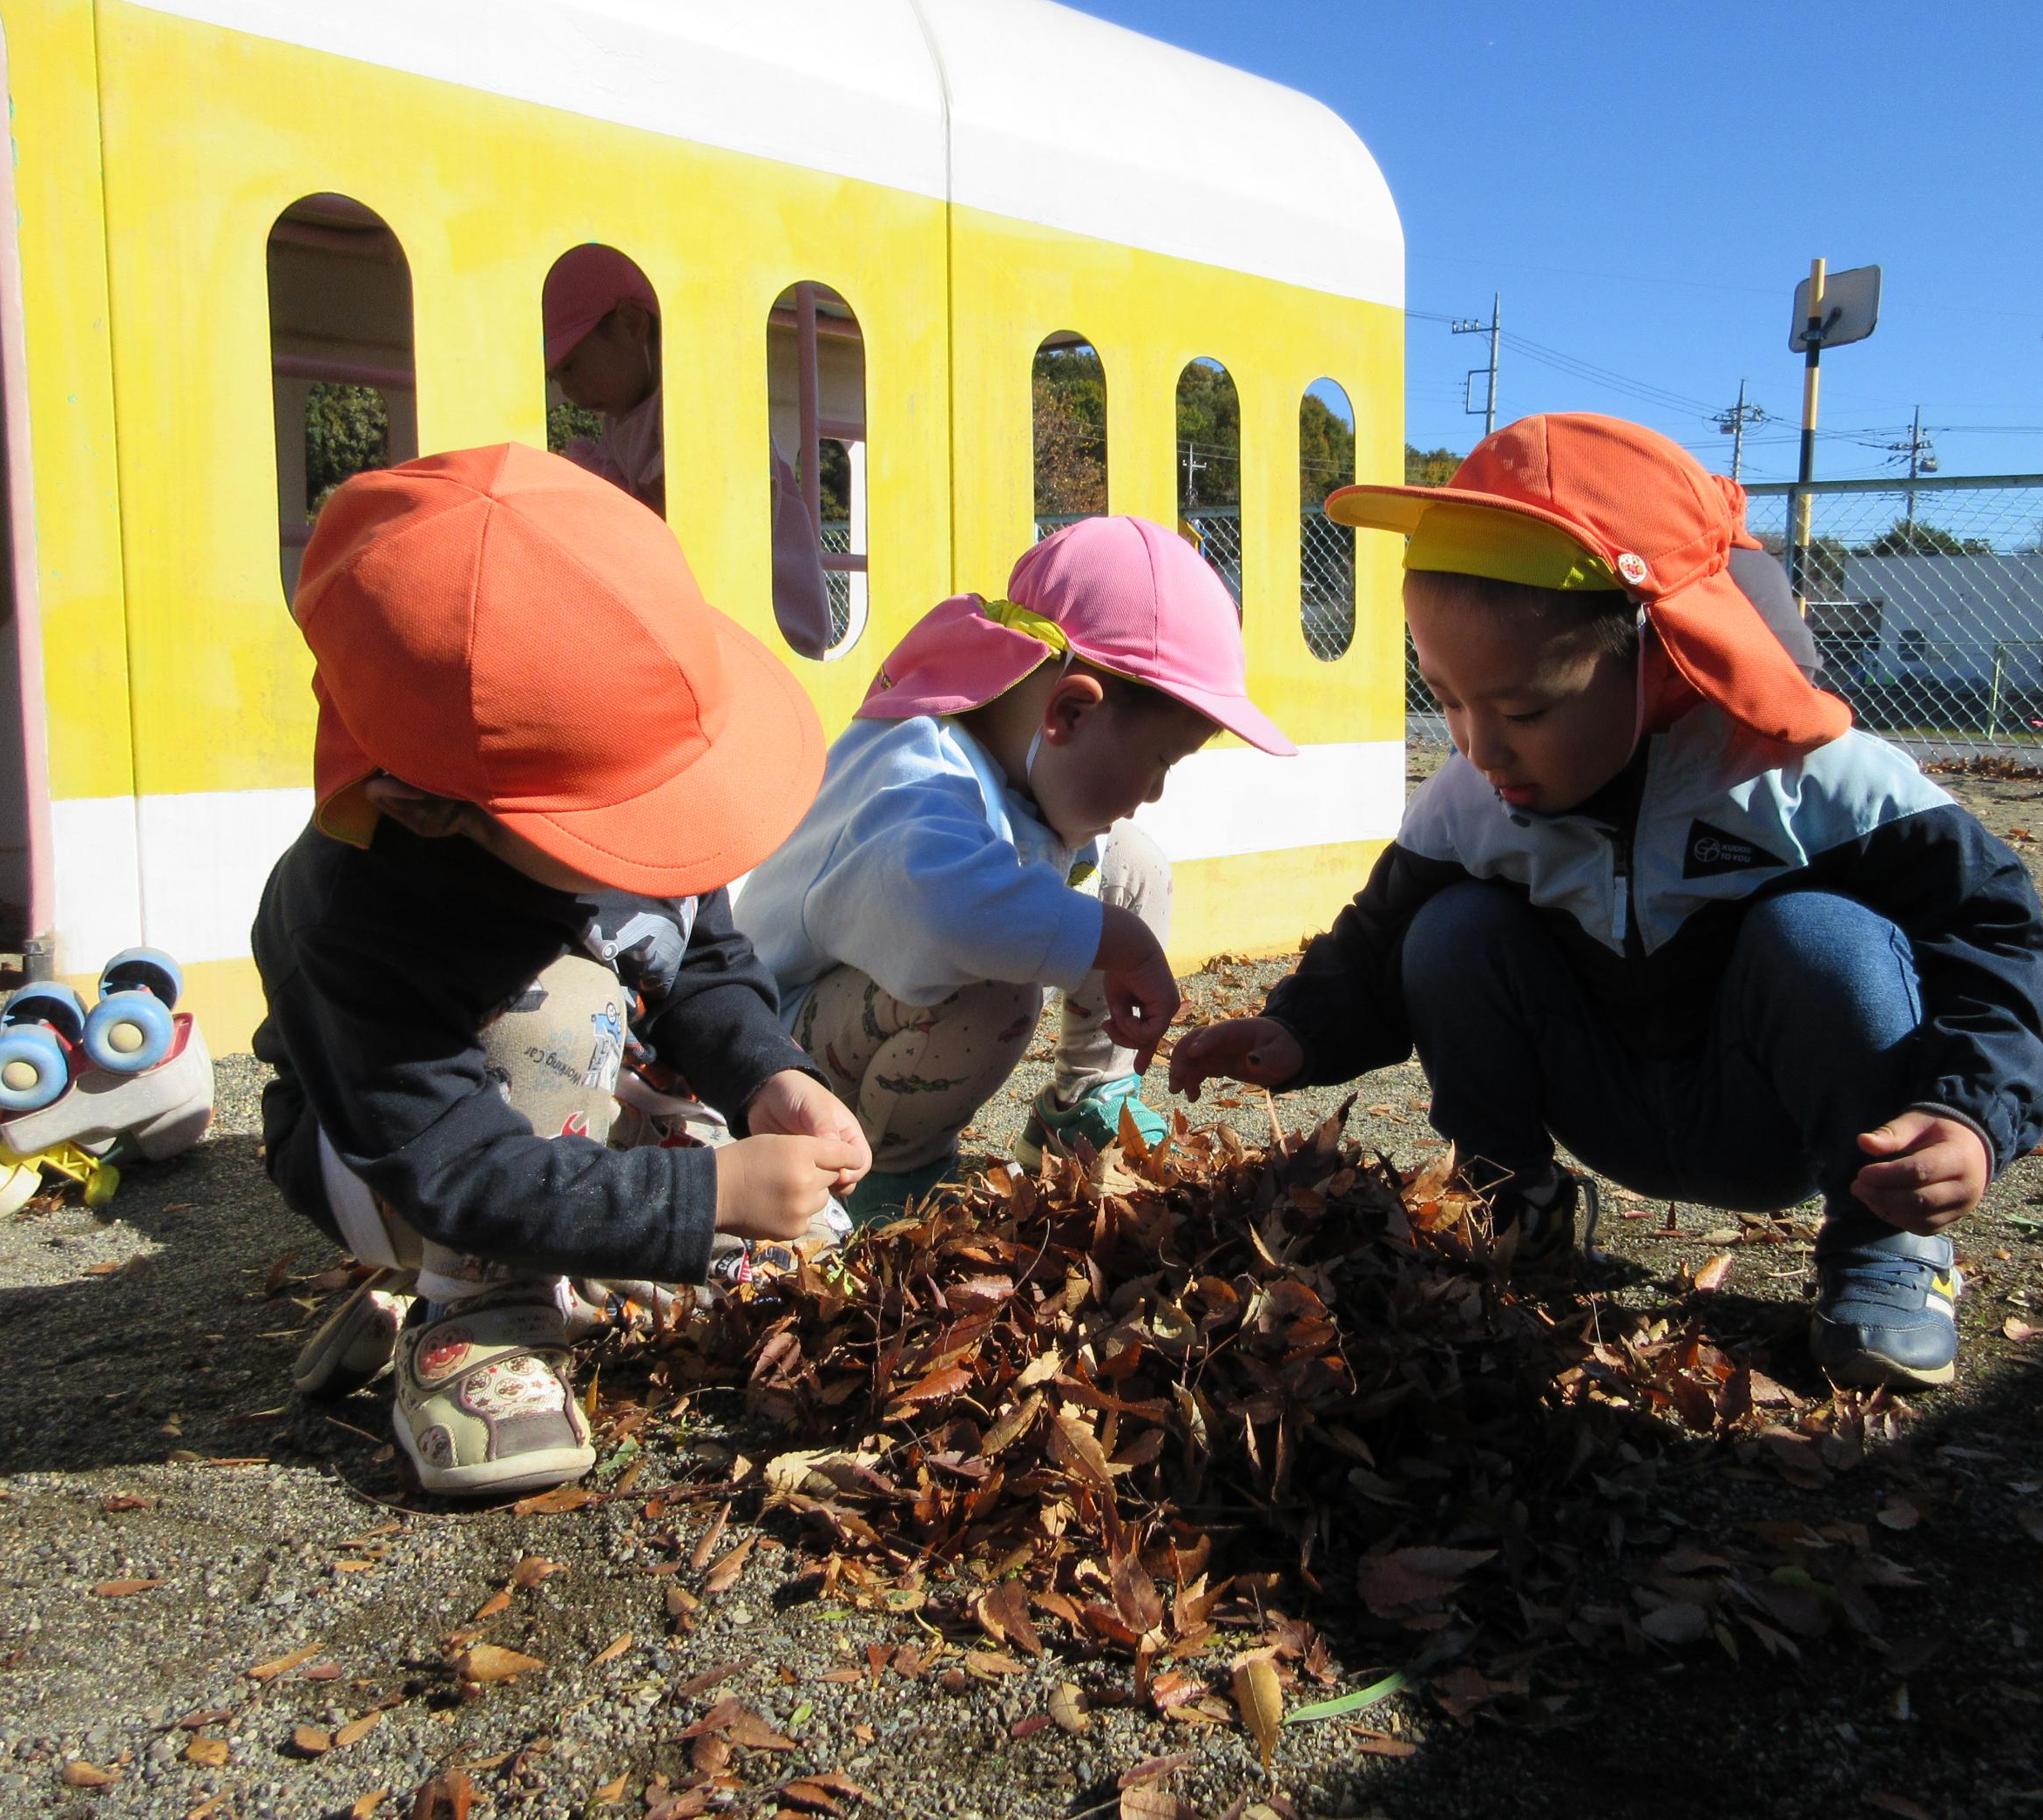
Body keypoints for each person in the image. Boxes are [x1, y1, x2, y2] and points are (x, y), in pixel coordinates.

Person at [1170, 414, 2043, 1392]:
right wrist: (1297, 1029)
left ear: (1662, 649)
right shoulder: (1473, 799)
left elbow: (1994, 939)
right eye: (1445, 697)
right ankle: (1518, 1200)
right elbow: (1377, 942)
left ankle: (1884, 1250)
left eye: (1523, 710)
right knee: (1450, 929)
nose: (1480, 745)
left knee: (1819, 936)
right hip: (1602, 1096)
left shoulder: (1807, 775)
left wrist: (1969, 1113)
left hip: (1775, 1120)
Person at [253, 443, 872, 1496]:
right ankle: (474, 1315)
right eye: (631, 819)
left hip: (568, 1101)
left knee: (682, 1117)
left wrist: (772, 1075)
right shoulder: (353, 912)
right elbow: (449, 1161)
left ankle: (589, 1248)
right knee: (563, 1004)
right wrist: (702, 1194)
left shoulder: (584, 803)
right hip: (394, 1163)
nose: (670, 837)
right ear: (427, 806)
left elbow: (701, 957)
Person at [738, 515, 1293, 1219]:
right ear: (1066, 713)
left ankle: (1088, 1096)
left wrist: (1114, 927)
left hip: (854, 1022)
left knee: (1133, 863)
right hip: (781, 1054)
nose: (1154, 791)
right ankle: (887, 1173)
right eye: (1159, 763)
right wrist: (1125, 945)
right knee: (995, 994)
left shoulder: (1021, 768)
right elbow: (951, 912)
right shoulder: (917, 773)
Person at [542, 242, 835, 658]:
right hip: (713, 629)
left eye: (571, 366)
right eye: (557, 377)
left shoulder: (693, 404)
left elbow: (698, 515)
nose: (566, 389)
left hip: (775, 630)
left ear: (631, 326)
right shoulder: (620, 422)